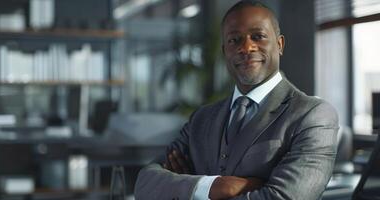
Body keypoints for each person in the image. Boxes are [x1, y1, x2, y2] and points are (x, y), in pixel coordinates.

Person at [134, 0, 339, 199]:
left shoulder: (313, 115)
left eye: (258, 36)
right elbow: (145, 184)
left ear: (279, 45)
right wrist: (215, 187)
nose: (246, 47)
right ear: (225, 51)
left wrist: (186, 188)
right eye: (234, 40)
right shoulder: (201, 119)